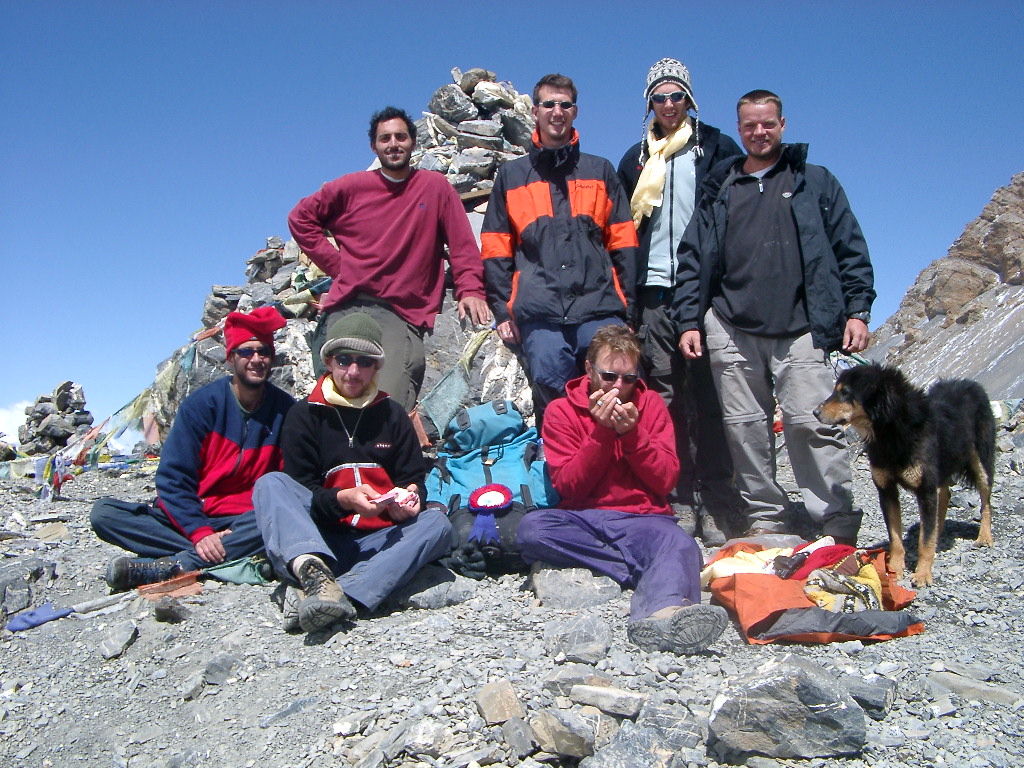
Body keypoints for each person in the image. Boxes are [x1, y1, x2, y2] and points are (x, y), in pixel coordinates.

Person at [673, 89, 875, 546]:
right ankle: (767, 515)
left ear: (783, 125)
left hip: (802, 326)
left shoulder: (815, 181)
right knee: (744, 428)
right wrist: (689, 320)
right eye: (749, 125)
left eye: (767, 124)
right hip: (730, 324)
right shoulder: (720, 189)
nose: (759, 132)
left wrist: (857, 310)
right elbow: (692, 259)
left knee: (811, 422)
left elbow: (850, 248)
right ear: (740, 128)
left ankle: (835, 517)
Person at [517, 325, 728, 655]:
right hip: (582, 518)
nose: (619, 387)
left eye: (628, 379)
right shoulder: (560, 411)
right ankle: (647, 569)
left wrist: (632, 436)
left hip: (642, 518)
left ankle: (663, 616)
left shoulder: (652, 405)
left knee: (681, 543)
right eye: (609, 376)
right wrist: (602, 433)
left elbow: (665, 481)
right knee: (532, 529)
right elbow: (569, 485)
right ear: (589, 370)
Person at [253, 313, 452, 633]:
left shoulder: (394, 416)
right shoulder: (304, 415)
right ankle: (315, 572)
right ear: (329, 362)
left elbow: (413, 477)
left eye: (365, 361)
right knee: (271, 484)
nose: (354, 371)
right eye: (344, 359)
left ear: (377, 366)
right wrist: (343, 499)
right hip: (323, 537)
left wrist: (412, 498)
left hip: (381, 539)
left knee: (437, 523)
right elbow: (302, 490)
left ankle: (336, 594)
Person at [288, 106, 491, 411]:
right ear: (374, 146)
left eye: (401, 136)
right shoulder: (350, 187)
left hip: (400, 313)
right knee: (334, 404)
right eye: (385, 138)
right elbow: (300, 218)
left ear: (413, 142)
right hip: (348, 305)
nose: (393, 144)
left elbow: (462, 245)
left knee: (385, 408)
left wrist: (471, 290)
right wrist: (338, 267)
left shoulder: (435, 188)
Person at [616, 58, 743, 545]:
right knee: (664, 396)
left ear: (690, 99)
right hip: (653, 291)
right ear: (649, 103)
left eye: (677, 96)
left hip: (707, 291)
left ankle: (716, 496)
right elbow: (626, 231)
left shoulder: (716, 149)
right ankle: (677, 493)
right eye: (660, 97)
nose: (669, 105)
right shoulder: (636, 159)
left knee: (710, 396)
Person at [91, 307, 295, 590]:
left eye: (264, 352)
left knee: (284, 514)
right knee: (104, 514)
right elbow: (172, 478)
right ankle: (225, 553)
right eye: (246, 352)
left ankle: (179, 565)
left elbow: (291, 482)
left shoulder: (286, 411)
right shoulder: (202, 406)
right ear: (231, 357)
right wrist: (200, 532)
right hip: (197, 514)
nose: (256, 359)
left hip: (246, 518)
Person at [481, 74, 638, 425]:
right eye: (549, 104)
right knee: (554, 397)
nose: (557, 111)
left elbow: (624, 242)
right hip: (541, 312)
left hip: (599, 308)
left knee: (614, 388)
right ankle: (563, 473)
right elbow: (495, 249)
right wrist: (503, 312)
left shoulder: (601, 170)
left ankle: (612, 472)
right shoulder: (512, 175)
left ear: (575, 111)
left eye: (565, 104)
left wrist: (629, 308)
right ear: (535, 111)